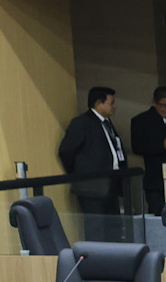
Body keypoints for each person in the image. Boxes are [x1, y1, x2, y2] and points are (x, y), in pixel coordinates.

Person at [57, 86, 134, 217]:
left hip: (111, 183)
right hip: (91, 186)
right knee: (96, 228)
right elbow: (66, 151)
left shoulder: (107, 123)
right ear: (99, 103)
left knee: (113, 226)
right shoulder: (82, 122)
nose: (114, 107)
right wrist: (79, 172)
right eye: (111, 103)